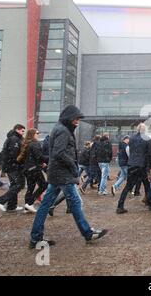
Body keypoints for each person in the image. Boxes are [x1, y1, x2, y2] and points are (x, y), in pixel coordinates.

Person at [30, 105, 108, 248]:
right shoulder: (63, 131)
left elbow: (58, 153)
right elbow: (59, 153)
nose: (78, 121)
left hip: (58, 172)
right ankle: (87, 233)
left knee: (46, 205)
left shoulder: (60, 128)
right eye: (76, 118)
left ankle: (35, 237)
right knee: (75, 203)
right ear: (69, 118)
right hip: (63, 173)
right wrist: (73, 167)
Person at [116, 123, 151, 214]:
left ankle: (120, 206)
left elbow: (131, 150)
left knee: (128, 186)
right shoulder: (147, 139)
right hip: (142, 165)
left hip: (132, 164)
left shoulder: (132, 138)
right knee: (147, 185)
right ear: (144, 130)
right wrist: (150, 166)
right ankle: (150, 204)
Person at [0, 124, 26, 212]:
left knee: (14, 185)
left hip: (10, 166)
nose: (23, 132)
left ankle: (11, 206)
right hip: (13, 166)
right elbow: (14, 154)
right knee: (20, 184)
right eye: (22, 130)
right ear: (17, 130)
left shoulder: (15, 138)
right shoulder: (14, 139)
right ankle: (0, 200)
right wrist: (20, 163)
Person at [17, 129, 48, 213]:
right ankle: (29, 204)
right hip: (34, 169)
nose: (38, 134)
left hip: (28, 170)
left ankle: (27, 208)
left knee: (30, 188)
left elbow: (29, 158)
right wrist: (50, 158)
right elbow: (39, 157)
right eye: (37, 133)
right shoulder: (35, 144)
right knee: (43, 185)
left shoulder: (27, 144)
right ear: (33, 134)